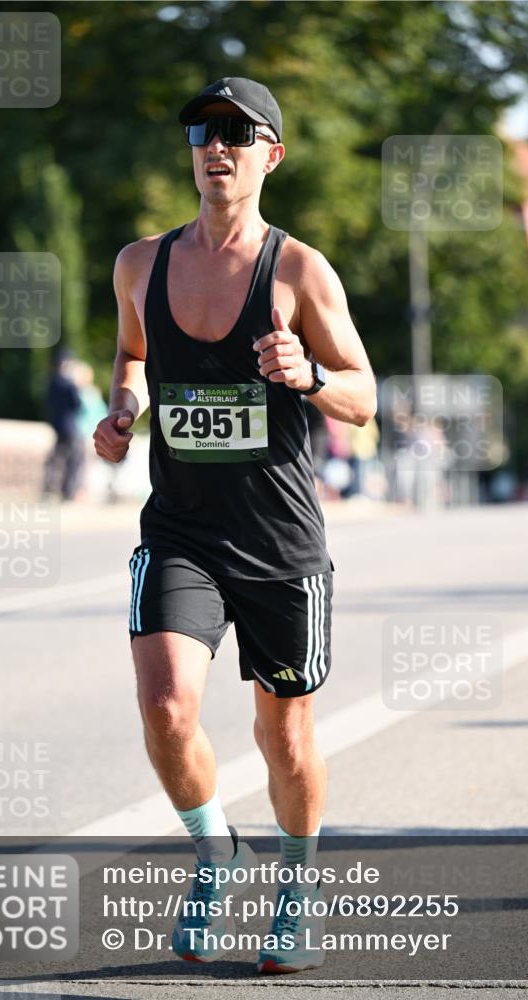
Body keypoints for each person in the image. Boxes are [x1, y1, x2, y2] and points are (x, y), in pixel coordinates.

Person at [93, 77, 376, 974]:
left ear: (270, 154)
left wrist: (305, 378)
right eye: (201, 133)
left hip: (279, 543)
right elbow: (131, 352)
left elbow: (364, 399)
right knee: (165, 706)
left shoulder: (297, 271)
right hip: (180, 527)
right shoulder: (140, 262)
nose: (215, 147)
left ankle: (296, 887)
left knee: (283, 734)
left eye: (236, 133)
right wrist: (123, 410)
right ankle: (215, 851)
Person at [43, 351, 85, 501]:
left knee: (56, 459)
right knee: (73, 460)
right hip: (70, 427)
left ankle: (49, 490)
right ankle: (68, 492)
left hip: (57, 424)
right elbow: (78, 403)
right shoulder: (69, 384)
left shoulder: (52, 382)